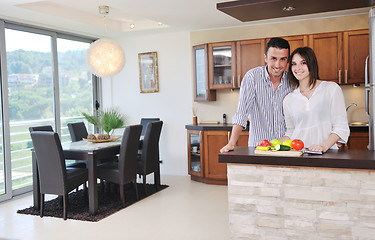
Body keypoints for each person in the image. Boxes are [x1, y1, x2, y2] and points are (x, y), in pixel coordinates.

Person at [220, 38, 292, 152]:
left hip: (286, 148)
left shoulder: (292, 81)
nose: (278, 65)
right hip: (259, 149)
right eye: (273, 58)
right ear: (265, 58)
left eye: (283, 59)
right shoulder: (252, 78)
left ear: (287, 60)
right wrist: (231, 143)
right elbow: (241, 114)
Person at [279, 47, 349, 152]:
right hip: (299, 155)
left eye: (303, 63)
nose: (297, 68)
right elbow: (291, 132)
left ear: (311, 64)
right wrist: (271, 144)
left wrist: (323, 147)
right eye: (294, 64)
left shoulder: (331, 89)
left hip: (328, 154)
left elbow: (341, 126)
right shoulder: (288, 99)